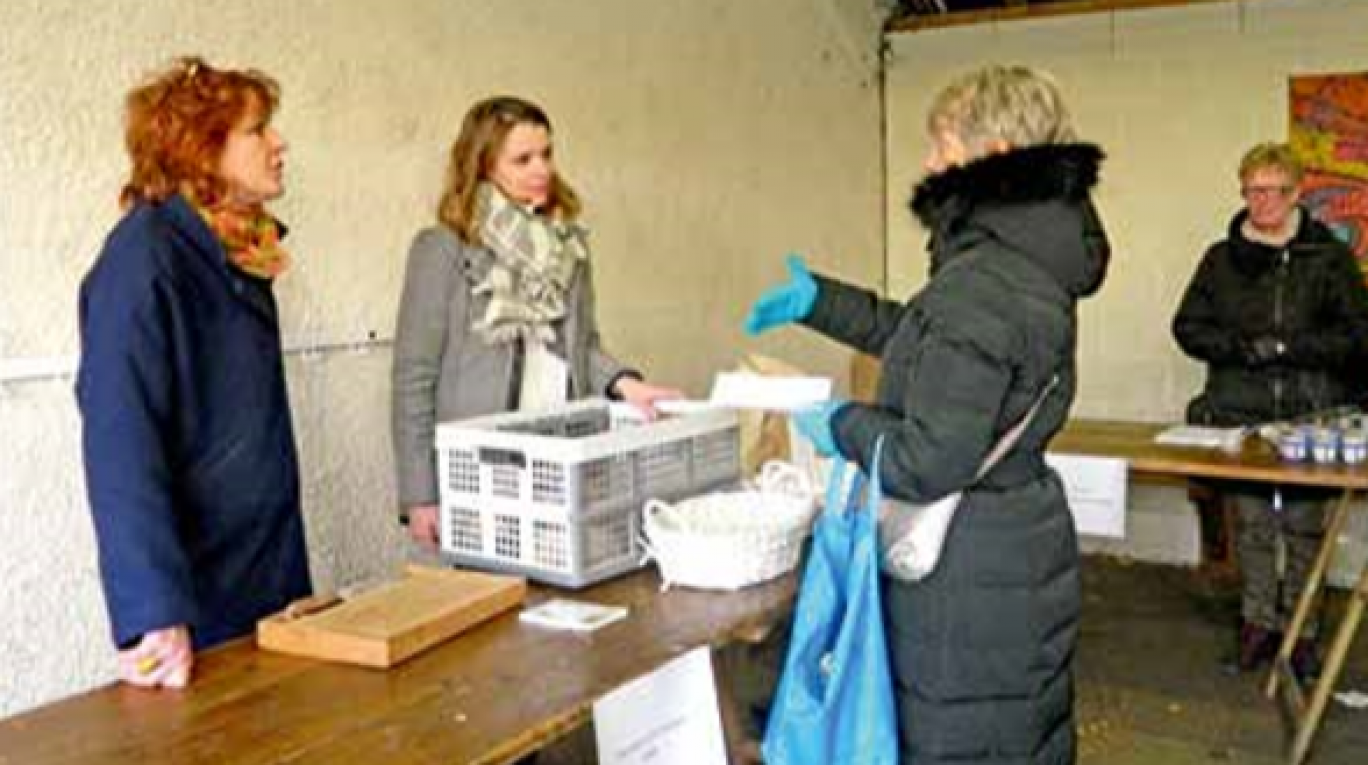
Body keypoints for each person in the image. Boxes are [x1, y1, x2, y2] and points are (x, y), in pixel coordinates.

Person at [746, 65, 1109, 764]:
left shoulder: (985, 280)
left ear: (994, 155)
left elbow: (927, 458)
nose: (930, 166)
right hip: (1015, 544)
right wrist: (820, 300)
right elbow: (927, 338)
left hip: (963, 574)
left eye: (941, 150)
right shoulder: (1024, 258)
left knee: (962, 744)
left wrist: (839, 424)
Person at [76, 57, 311, 688]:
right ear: (202, 149)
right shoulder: (143, 261)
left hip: (264, 576)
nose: (279, 143)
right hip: (198, 604)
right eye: (259, 129)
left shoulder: (238, 250)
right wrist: (155, 613)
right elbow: (120, 446)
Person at [391, 96, 678, 549]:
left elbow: (582, 345)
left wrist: (624, 384)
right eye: (522, 159)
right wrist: (420, 495)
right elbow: (414, 376)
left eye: (546, 154)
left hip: (558, 459)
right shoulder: (442, 248)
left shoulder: (569, 249)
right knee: (493, 597)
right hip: (481, 467)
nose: (541, 169)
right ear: (483, 166)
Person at [1172, 142, 1368, 680]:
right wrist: (1239, 347)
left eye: (1271, 191)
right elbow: (1187, 326)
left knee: (1304, 528)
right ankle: (1257, 625)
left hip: (1310, 416)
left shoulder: (1327, 259)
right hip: (1241, 414)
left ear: (1296, 193)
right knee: (1253, 526)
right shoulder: (1221, 259)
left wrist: (1287, 347)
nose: (1260, 201)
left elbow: (1356, 336)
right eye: (1251, 190)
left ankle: (1302, 631)